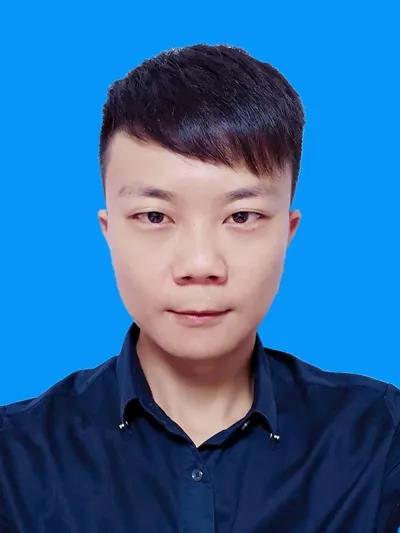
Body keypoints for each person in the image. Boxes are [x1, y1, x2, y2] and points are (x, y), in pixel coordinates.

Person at [0, 43, 399, 532]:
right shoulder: (15, 456)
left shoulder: (376, 433)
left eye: (242, 216)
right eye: (154, 216)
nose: (200, 264)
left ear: (287, 232)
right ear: (109, 232)